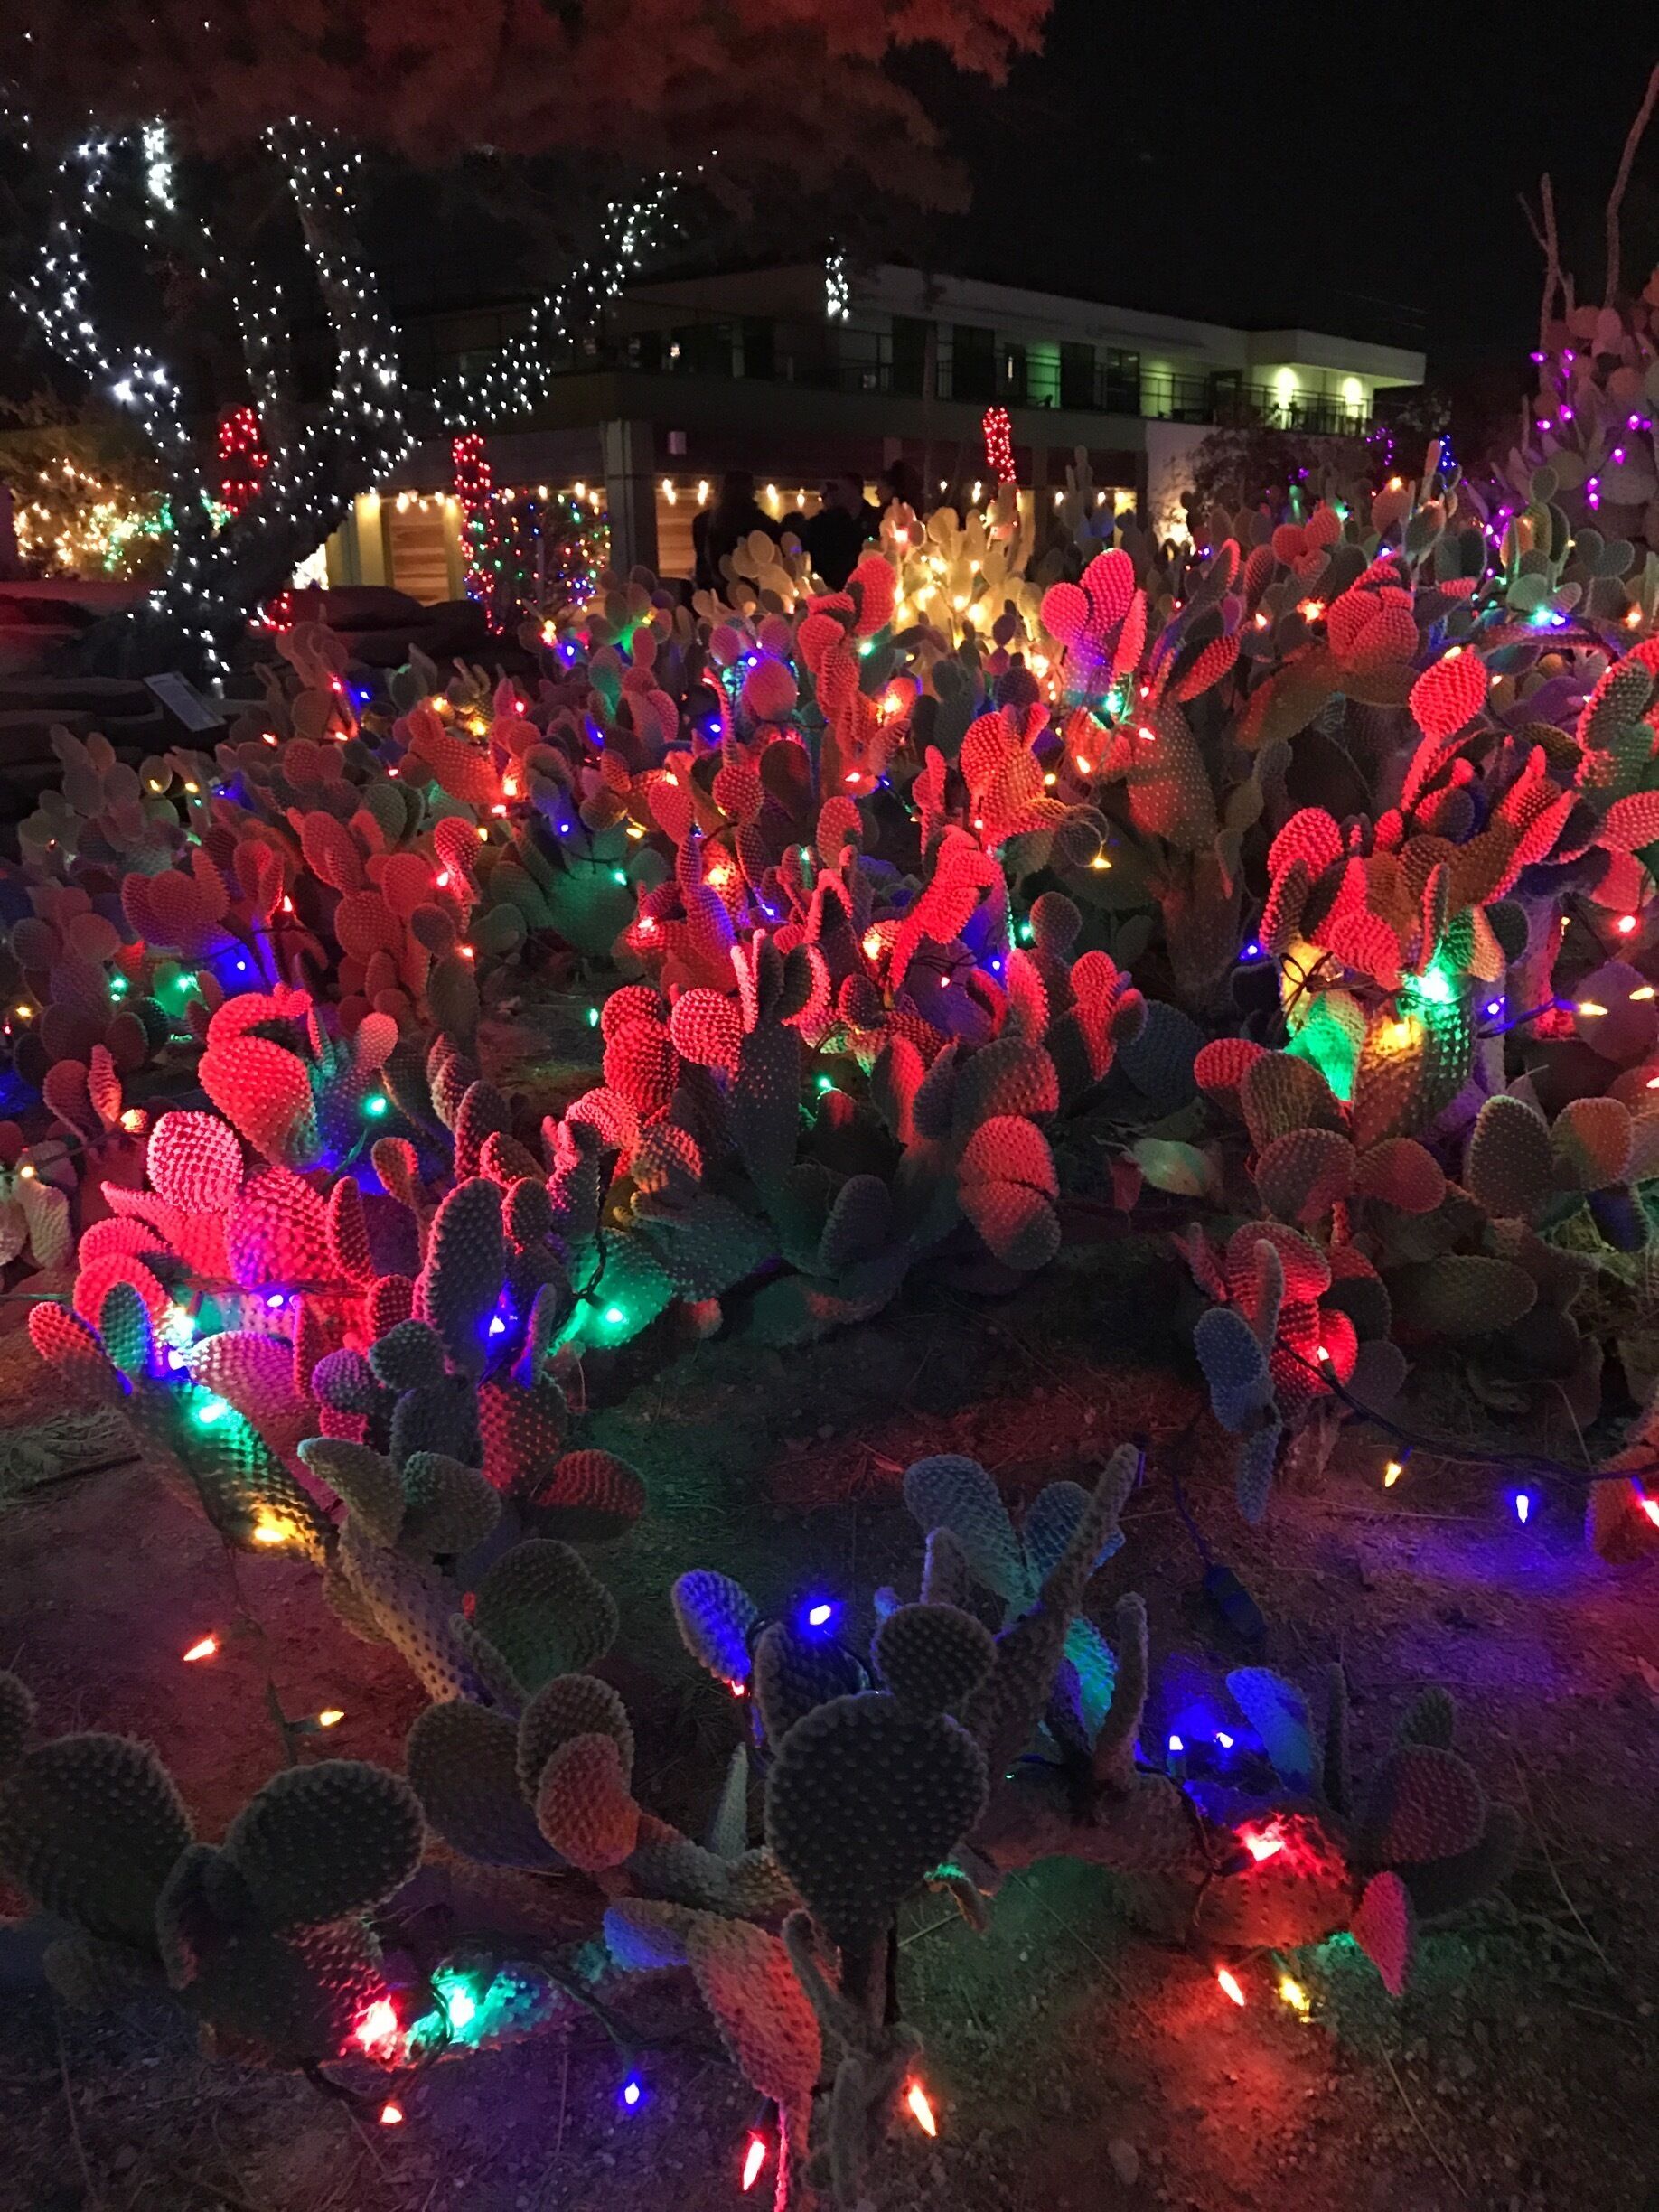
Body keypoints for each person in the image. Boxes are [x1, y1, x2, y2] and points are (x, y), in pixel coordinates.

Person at [692, 472, 780, 593]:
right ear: (751, 491)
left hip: (715, 589)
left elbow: (702, 560)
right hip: (752, 590)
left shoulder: (704, 521)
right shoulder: (761, 522)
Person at [801, 471, 878, 590]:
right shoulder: (831, 521)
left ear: (854, 489)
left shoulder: (874, 518)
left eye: (842, 488)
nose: (838, 493)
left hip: (868, 582)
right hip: (836, 583)